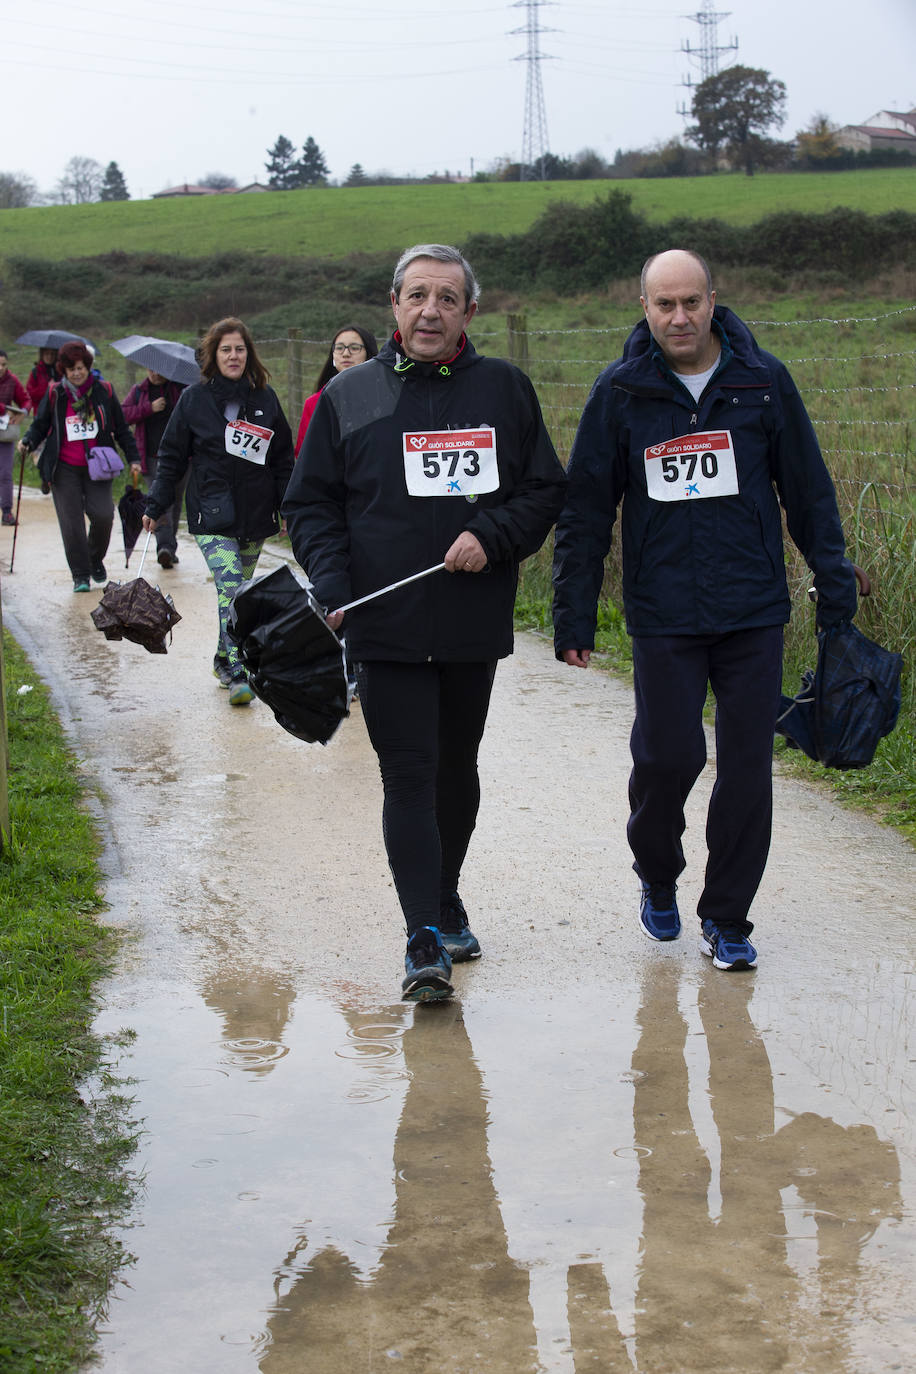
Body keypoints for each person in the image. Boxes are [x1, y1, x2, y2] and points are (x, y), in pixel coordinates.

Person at [552, 248, 858, 972]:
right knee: (669, 758)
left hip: (753, 608)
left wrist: (834, 579)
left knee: (748, 768)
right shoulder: (621, 393)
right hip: (664, 613)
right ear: (645, 308)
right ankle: (657, 874)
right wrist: (575, 614)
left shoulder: (762, 382)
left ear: (713, 300)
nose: (680, 318)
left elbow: (808, 489)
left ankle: (727, 918)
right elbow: (587, 511)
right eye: (665, 305)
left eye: (692, 302)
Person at [283, 243, 567, 1002]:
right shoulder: (353, 395)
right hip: (386, 620)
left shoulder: (505, 390)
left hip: (471, 618)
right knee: (408, 773)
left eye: (447, 298)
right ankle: (422, 938)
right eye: (417, 296)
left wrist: (492, 535)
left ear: (470, 311)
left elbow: (544, 491)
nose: (430, 310)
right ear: (394, 304)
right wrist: (337, 586)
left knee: (456, 767)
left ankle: (445, 895)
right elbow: (309, 504)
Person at [142, 317, 295, 707]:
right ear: (213, 355)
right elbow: (172, 457)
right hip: (211, 512)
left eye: (240, 349)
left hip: (256, 512)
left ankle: (221, 660)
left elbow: (282, 461)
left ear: (249, 354)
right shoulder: (193, 400)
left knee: (239, 595)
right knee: (230, 585)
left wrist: (288, 508)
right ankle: (239, 670)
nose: (233, 356)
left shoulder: (266, 399)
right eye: (226, 349)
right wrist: (156, 506)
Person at [19, 340, 140, 592]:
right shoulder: (56, 393)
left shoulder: (103, 391)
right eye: (71, 368)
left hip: (98, 466)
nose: (77, 373)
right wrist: (28, 441)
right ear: (63, 369)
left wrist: (134, 459)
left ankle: (94, 559)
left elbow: (121, 428)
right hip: (64, 468)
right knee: (72, 523)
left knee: (104, 515)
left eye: (81, 367)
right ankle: (80, 574)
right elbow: (40, 424)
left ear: (88, 366)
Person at [122, 369, 187, 568]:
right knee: (160, 500)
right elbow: (124, 414)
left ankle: (170, 547)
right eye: (151, 370)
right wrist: (149, 408)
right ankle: (164, 547)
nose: (156, 374)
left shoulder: (179, 389)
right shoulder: (139, 391)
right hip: (150, 456)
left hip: (181, 456)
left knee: (175, 501)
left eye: (160, 371)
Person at [294, 325, 378, 454]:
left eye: (354, 348)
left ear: (368, 353)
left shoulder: (383, 398)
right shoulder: (314, 403)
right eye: (339, 348)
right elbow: (304, 453)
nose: (345, 354)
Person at [0, 349, 31, 526]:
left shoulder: (12, 380)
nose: (1, 368)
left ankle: (6, 512)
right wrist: (4, 408)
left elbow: (26, 400)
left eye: (4, 364)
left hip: (5, 433)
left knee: (5, 473)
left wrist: (22, 413)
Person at [26, 347, 58, 412]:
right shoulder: (36, 371)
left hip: (58, 410)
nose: (50, 356)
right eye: (47, 354)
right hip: (40, 412)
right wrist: (48, 388)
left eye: (52, 354)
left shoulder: (60, 370)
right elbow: (30, 394)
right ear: (42, 354)